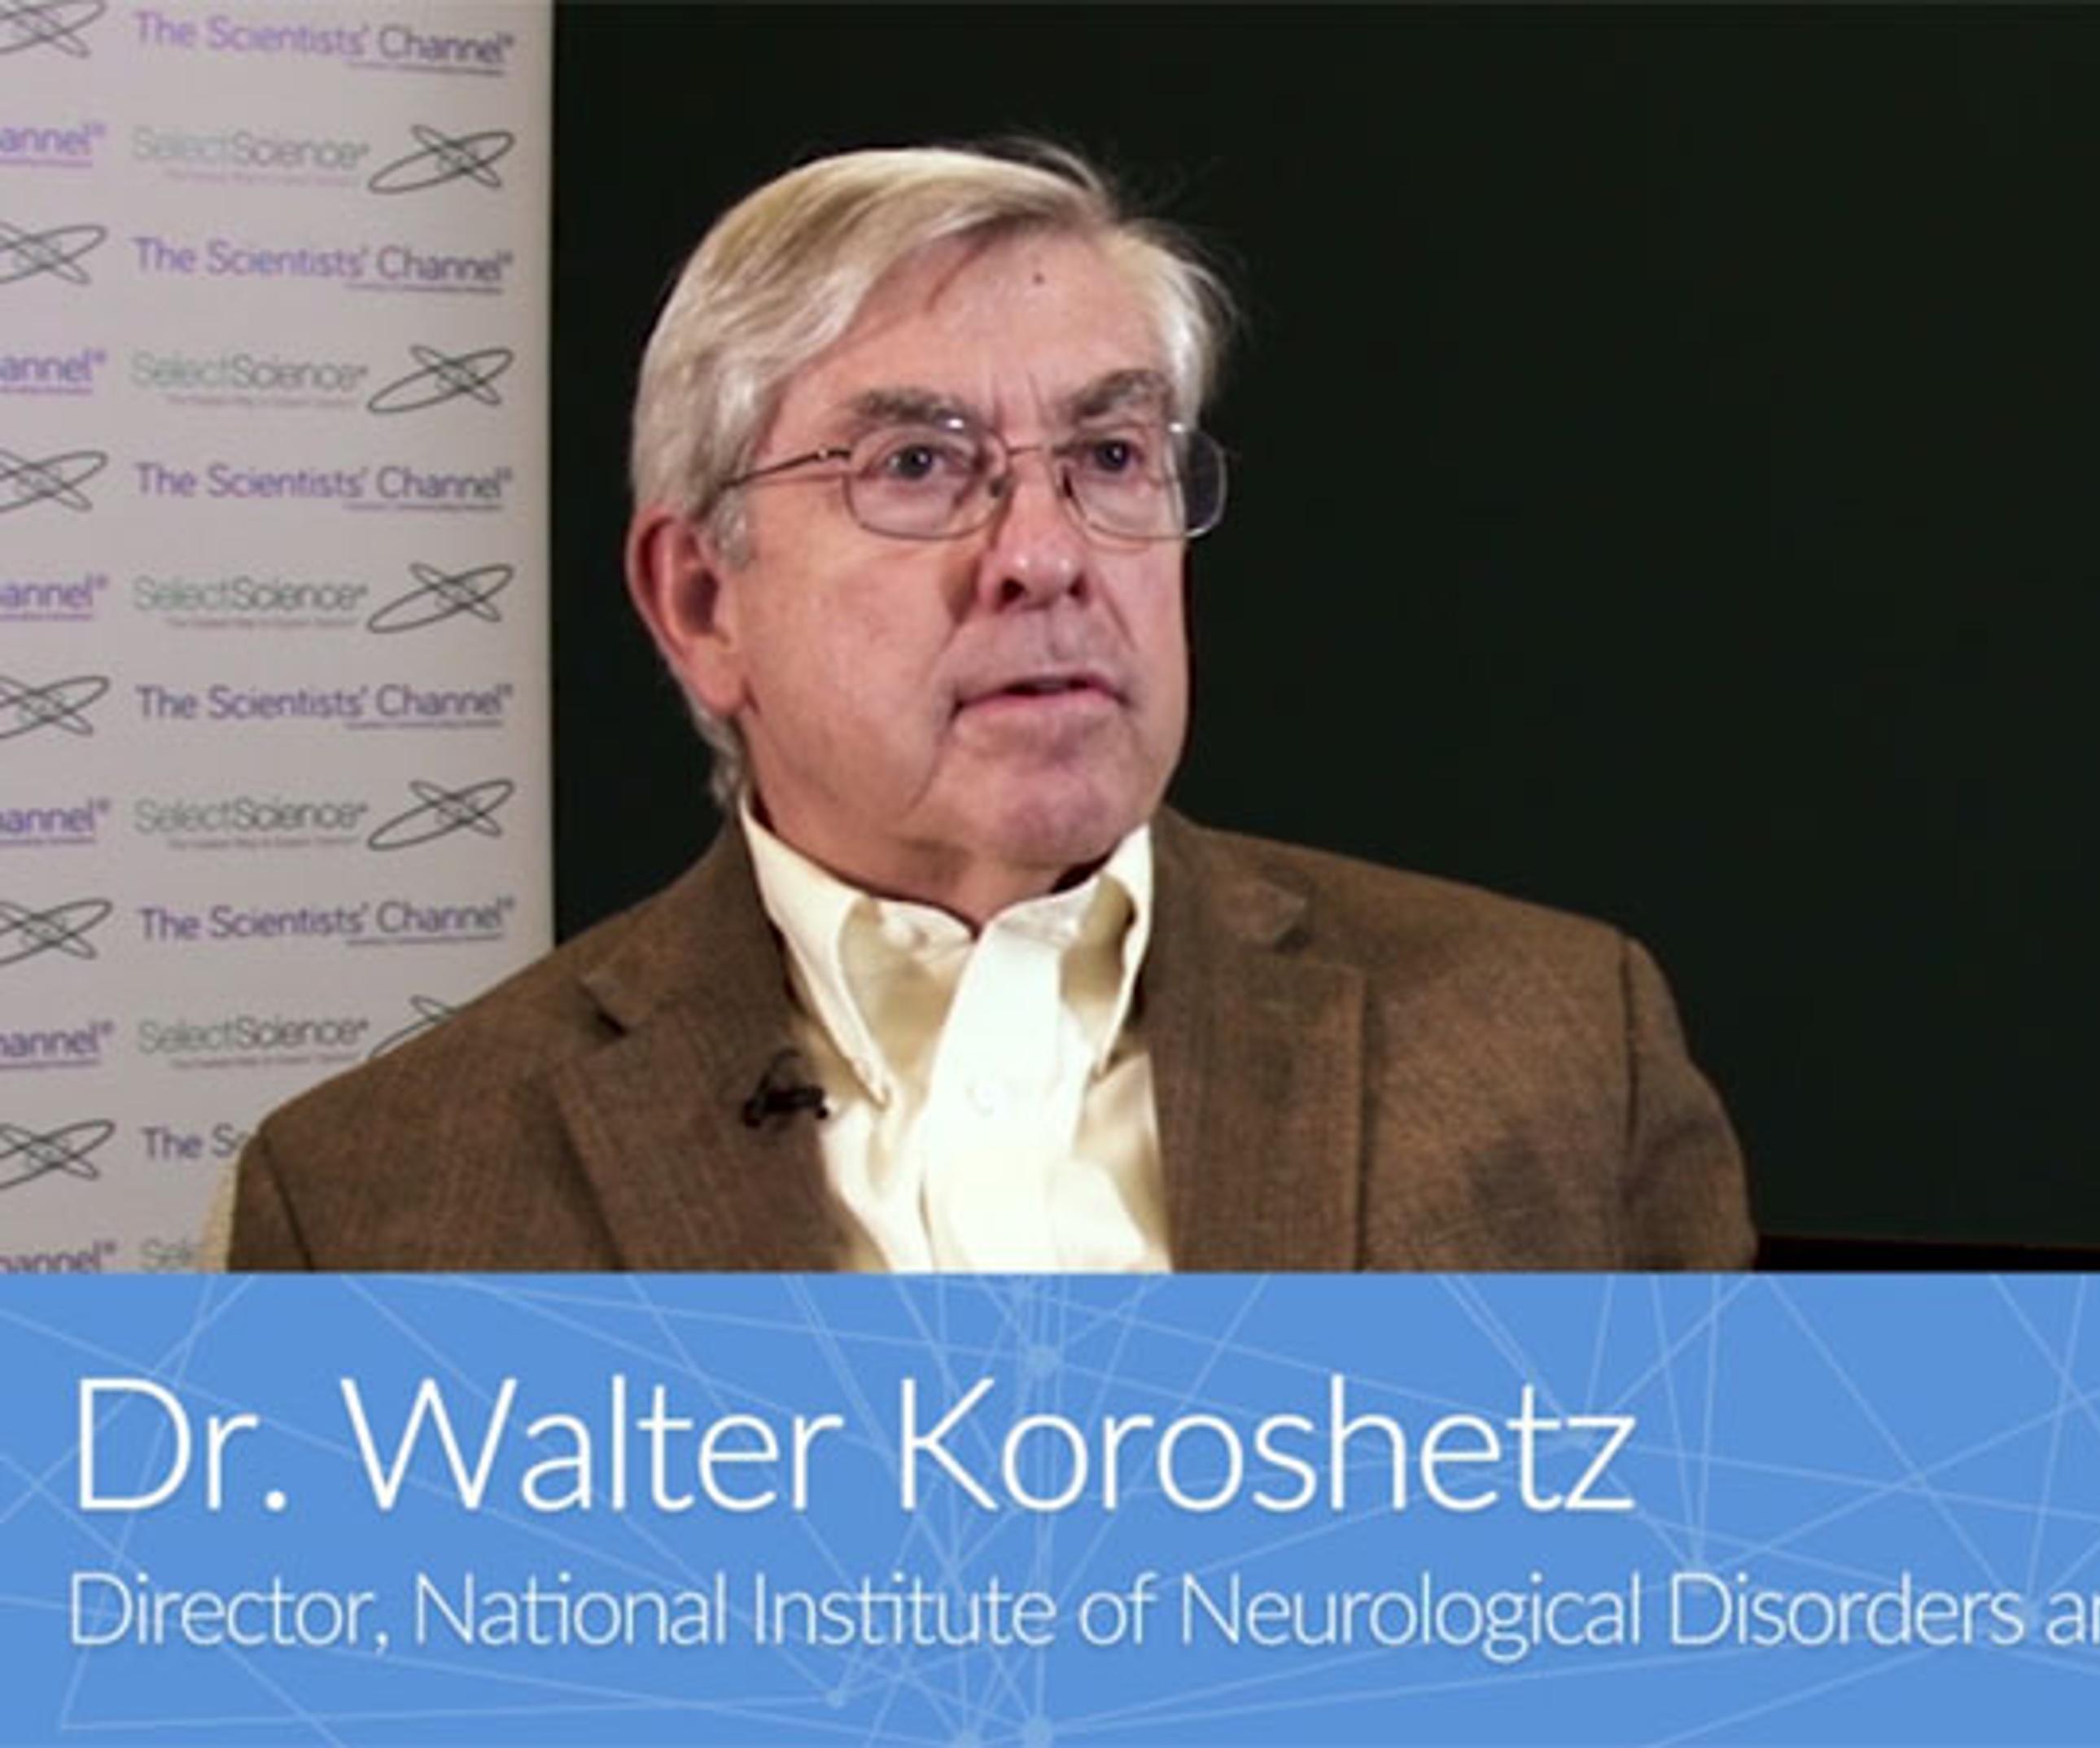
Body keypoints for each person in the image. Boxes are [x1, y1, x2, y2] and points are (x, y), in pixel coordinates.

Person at [218, 140, 1751, 1270]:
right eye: (917, 465)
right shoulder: (373, 1202)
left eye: (1110, 458)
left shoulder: (1556, 1047)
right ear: (701, 603)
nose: (1044, 556)